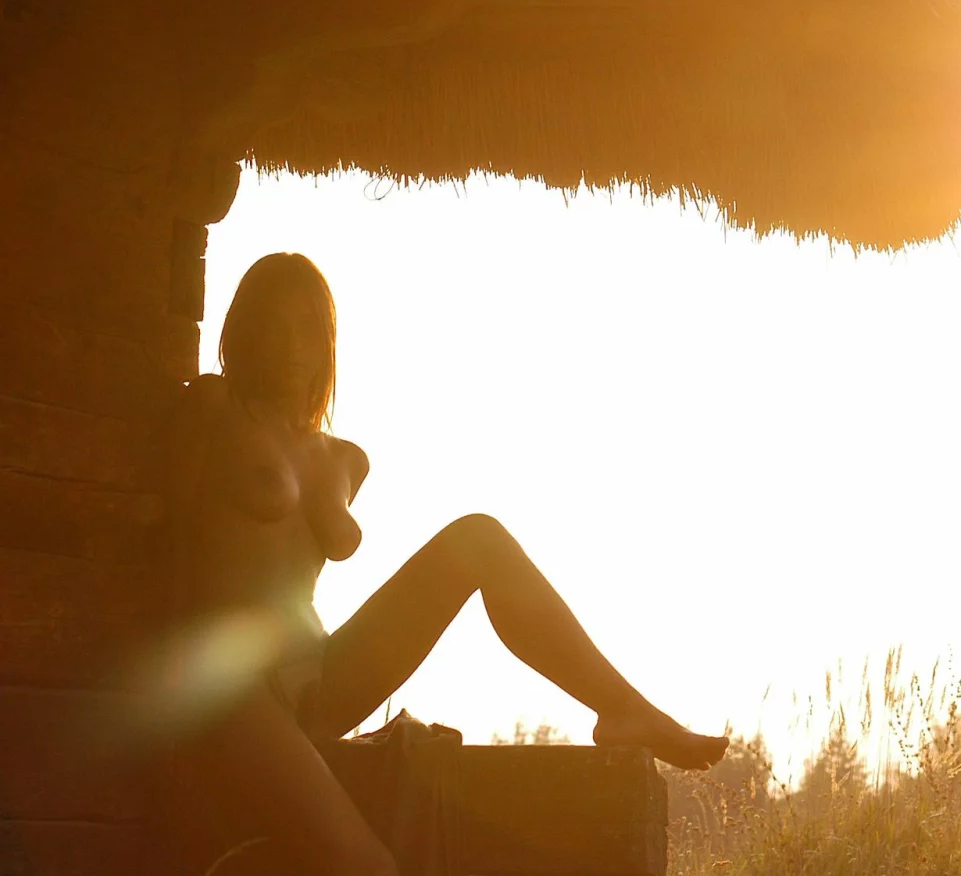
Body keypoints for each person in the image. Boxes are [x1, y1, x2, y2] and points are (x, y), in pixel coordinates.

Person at [166, 251, 728, 875]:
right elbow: (164, 544)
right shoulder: (213, 406)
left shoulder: (346, 458)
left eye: (306, 328)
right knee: (371, 868)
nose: (291, 346)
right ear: (246, 329)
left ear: (327, 340)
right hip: (233, 688)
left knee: (479, 538)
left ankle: (621, 706)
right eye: (274, 325)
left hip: (322, 676)